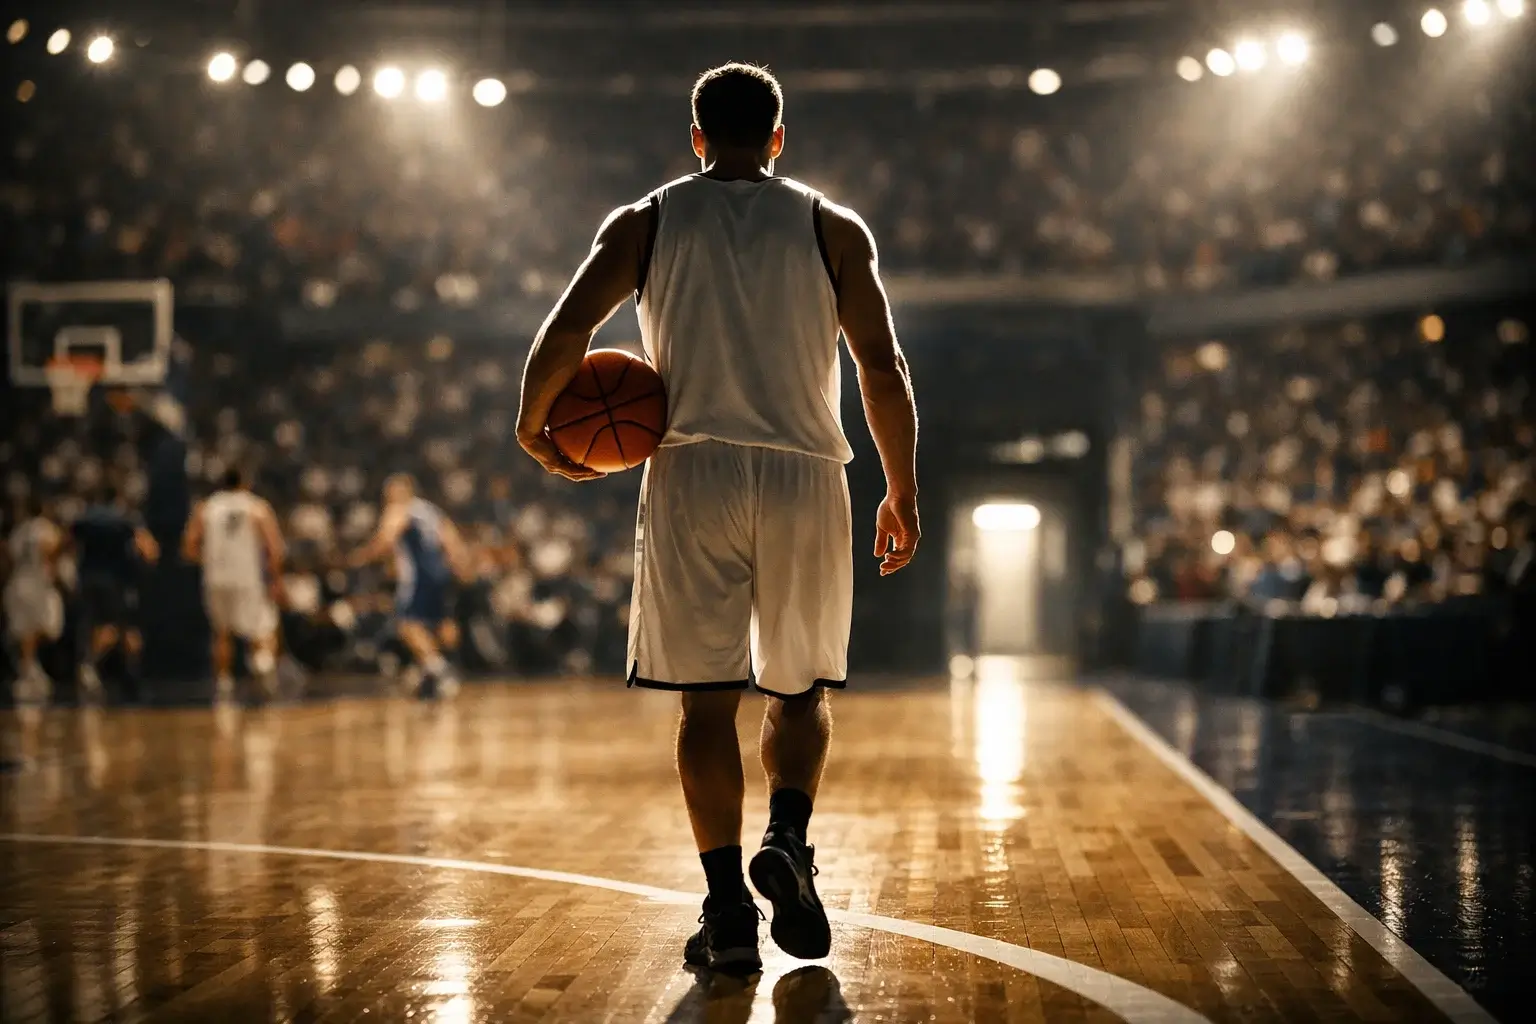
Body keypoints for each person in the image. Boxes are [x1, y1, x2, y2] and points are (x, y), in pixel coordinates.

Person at [516, 62, 920, 974]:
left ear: (695, 137)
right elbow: (883, 369)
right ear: (780, 138)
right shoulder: (832, 227)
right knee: (799, 690)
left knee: (705, 706)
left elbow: (566, 333)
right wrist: (902, 489)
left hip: (691, 466)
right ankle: (789, 836)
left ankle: (729, 912)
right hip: (807, 471)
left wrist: (534, 425)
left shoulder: (645, 220)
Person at [350, 474, 473, 698]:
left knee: (407, 625)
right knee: (441, 624)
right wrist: (461, 569)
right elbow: (453, 543)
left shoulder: (399, 510)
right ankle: (436, 668)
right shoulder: (431, 511)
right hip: (441, 573)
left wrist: (362, 556)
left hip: (418, 577)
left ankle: (438, 668)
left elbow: (386, 539)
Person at [182, 468, 286, 701]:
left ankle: (224, 683)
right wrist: (276, 579)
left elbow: (188, 547)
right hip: (247, 577)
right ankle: (263, 668)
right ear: (245, 482)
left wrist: (209, 561)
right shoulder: (257, 508)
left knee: (221, 632)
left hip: (216, 578)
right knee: (261, 628)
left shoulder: (206, 507)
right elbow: (275, 548)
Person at [72, 485, 159, 700]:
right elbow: (149, 551)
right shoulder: (125, 519)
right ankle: (92, 666)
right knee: (119, 628)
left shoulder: (84, 519)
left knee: (95, 624)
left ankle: (99, 668)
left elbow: (67, 544)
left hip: (87, 580)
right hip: (116, 582)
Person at [3, 498, 65, 702]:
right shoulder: (46, 529)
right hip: (38, 584)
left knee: (32, 631)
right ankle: (28, 672)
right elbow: (51, 549)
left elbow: (7, 556)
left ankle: (30, 669)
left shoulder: (19, 530)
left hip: (18, 584)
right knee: (44, 628)